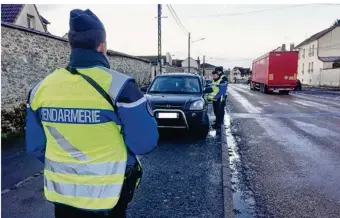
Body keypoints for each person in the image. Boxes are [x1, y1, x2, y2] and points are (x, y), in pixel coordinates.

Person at [26, 9, 159, 218]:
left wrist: (72, 168)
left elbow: (35, 147)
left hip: (62, 196)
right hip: (109, 197)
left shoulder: (40, 89)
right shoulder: (121, 87)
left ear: (70, 45)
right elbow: (144, 143)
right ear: (102, 46)